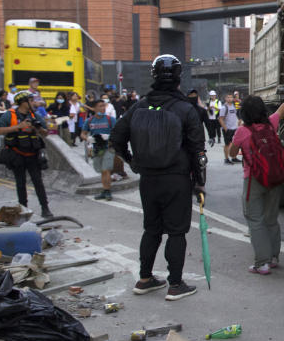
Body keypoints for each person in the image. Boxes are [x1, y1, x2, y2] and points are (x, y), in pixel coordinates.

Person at [110, 54, 206, 302]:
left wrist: (133, 162)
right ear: (178, 77)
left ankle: (145, 278)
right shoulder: (186, 108)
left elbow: (116, 139)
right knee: (176, 232)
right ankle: (175, 284)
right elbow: (198, 151)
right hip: (176, 178)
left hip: (148, 179)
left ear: (153, 76)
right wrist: (200, 183)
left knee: (151, 229)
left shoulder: (139, 106)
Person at [229, 66, 284, 274]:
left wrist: (234, 142)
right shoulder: (271, 123)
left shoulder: (242, 132)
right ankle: (273, 257)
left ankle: (261, 262)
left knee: (255, 219)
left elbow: (232, 154)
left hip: (254, 179)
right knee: (271, 218)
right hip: (276, 176)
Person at [0, 91, 53, 217]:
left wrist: (37, 129)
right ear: (23, 102)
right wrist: (18, 127)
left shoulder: (35, 115)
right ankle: (23, 209)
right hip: (17, 155)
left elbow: (46, 133)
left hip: (32, 155)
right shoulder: (9, 115)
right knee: (20, 183)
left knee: (38, 182)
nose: (33, 103)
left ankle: (45, 208)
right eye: (31, 101)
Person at [81, 98, 116, 201]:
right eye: (100, 106)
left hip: (109, 148)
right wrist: (88, 138)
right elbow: (83, 133)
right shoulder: (89, 120)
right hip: (96, 149)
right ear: (94, 108)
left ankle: (108, 191)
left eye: (104, 106)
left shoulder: (110, 119)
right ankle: (105, 190)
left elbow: (118, 132)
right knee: (101, 170)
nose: (103, 108)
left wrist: (109, 136)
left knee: (106, 169)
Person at [218, 93, 240, 164]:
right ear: (225, 98)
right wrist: (226, 129)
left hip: (234, 128)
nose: (230, 98)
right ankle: (226, 159)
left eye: (231, 97)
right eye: (228, 97)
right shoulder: (224, 107)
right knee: (227, 144)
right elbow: (220, 119)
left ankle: (234, 157)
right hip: (228, 129)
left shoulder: (234, 106)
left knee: (235, 144)